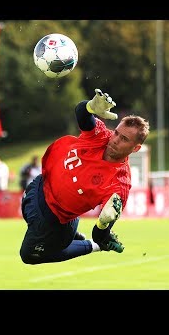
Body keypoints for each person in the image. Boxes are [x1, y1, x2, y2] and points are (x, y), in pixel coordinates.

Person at [19, 88, 150, 265]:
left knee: (29, 255)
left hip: (54, 217)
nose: (115, 140)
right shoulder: (102, 136)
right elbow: (81, 114)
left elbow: (100, 235)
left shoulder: (120, 185)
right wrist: (89, 107)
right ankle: (68, 237)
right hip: (39, 185)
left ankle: (78, 242)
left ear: (135, 148)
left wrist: (104, 223)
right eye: (117, 133)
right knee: (29, 215)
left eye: (124, 139)